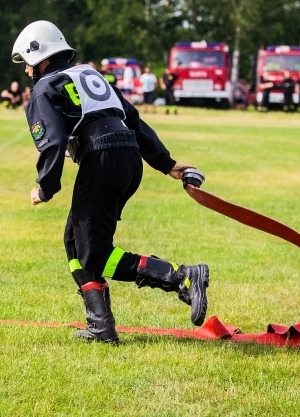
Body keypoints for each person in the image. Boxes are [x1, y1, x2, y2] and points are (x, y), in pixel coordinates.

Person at [11, 20, 209, 345]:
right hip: (127, 158)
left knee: (97, 255)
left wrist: (45, 188)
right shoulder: (91, 75)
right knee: (76, 243)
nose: (26, 71)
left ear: (40, 58)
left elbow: (53, 141)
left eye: (27, 63)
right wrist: (167, 164)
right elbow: (134, 120)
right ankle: (101, 327)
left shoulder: (45, 88)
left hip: (101, 159)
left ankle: (182, 277)